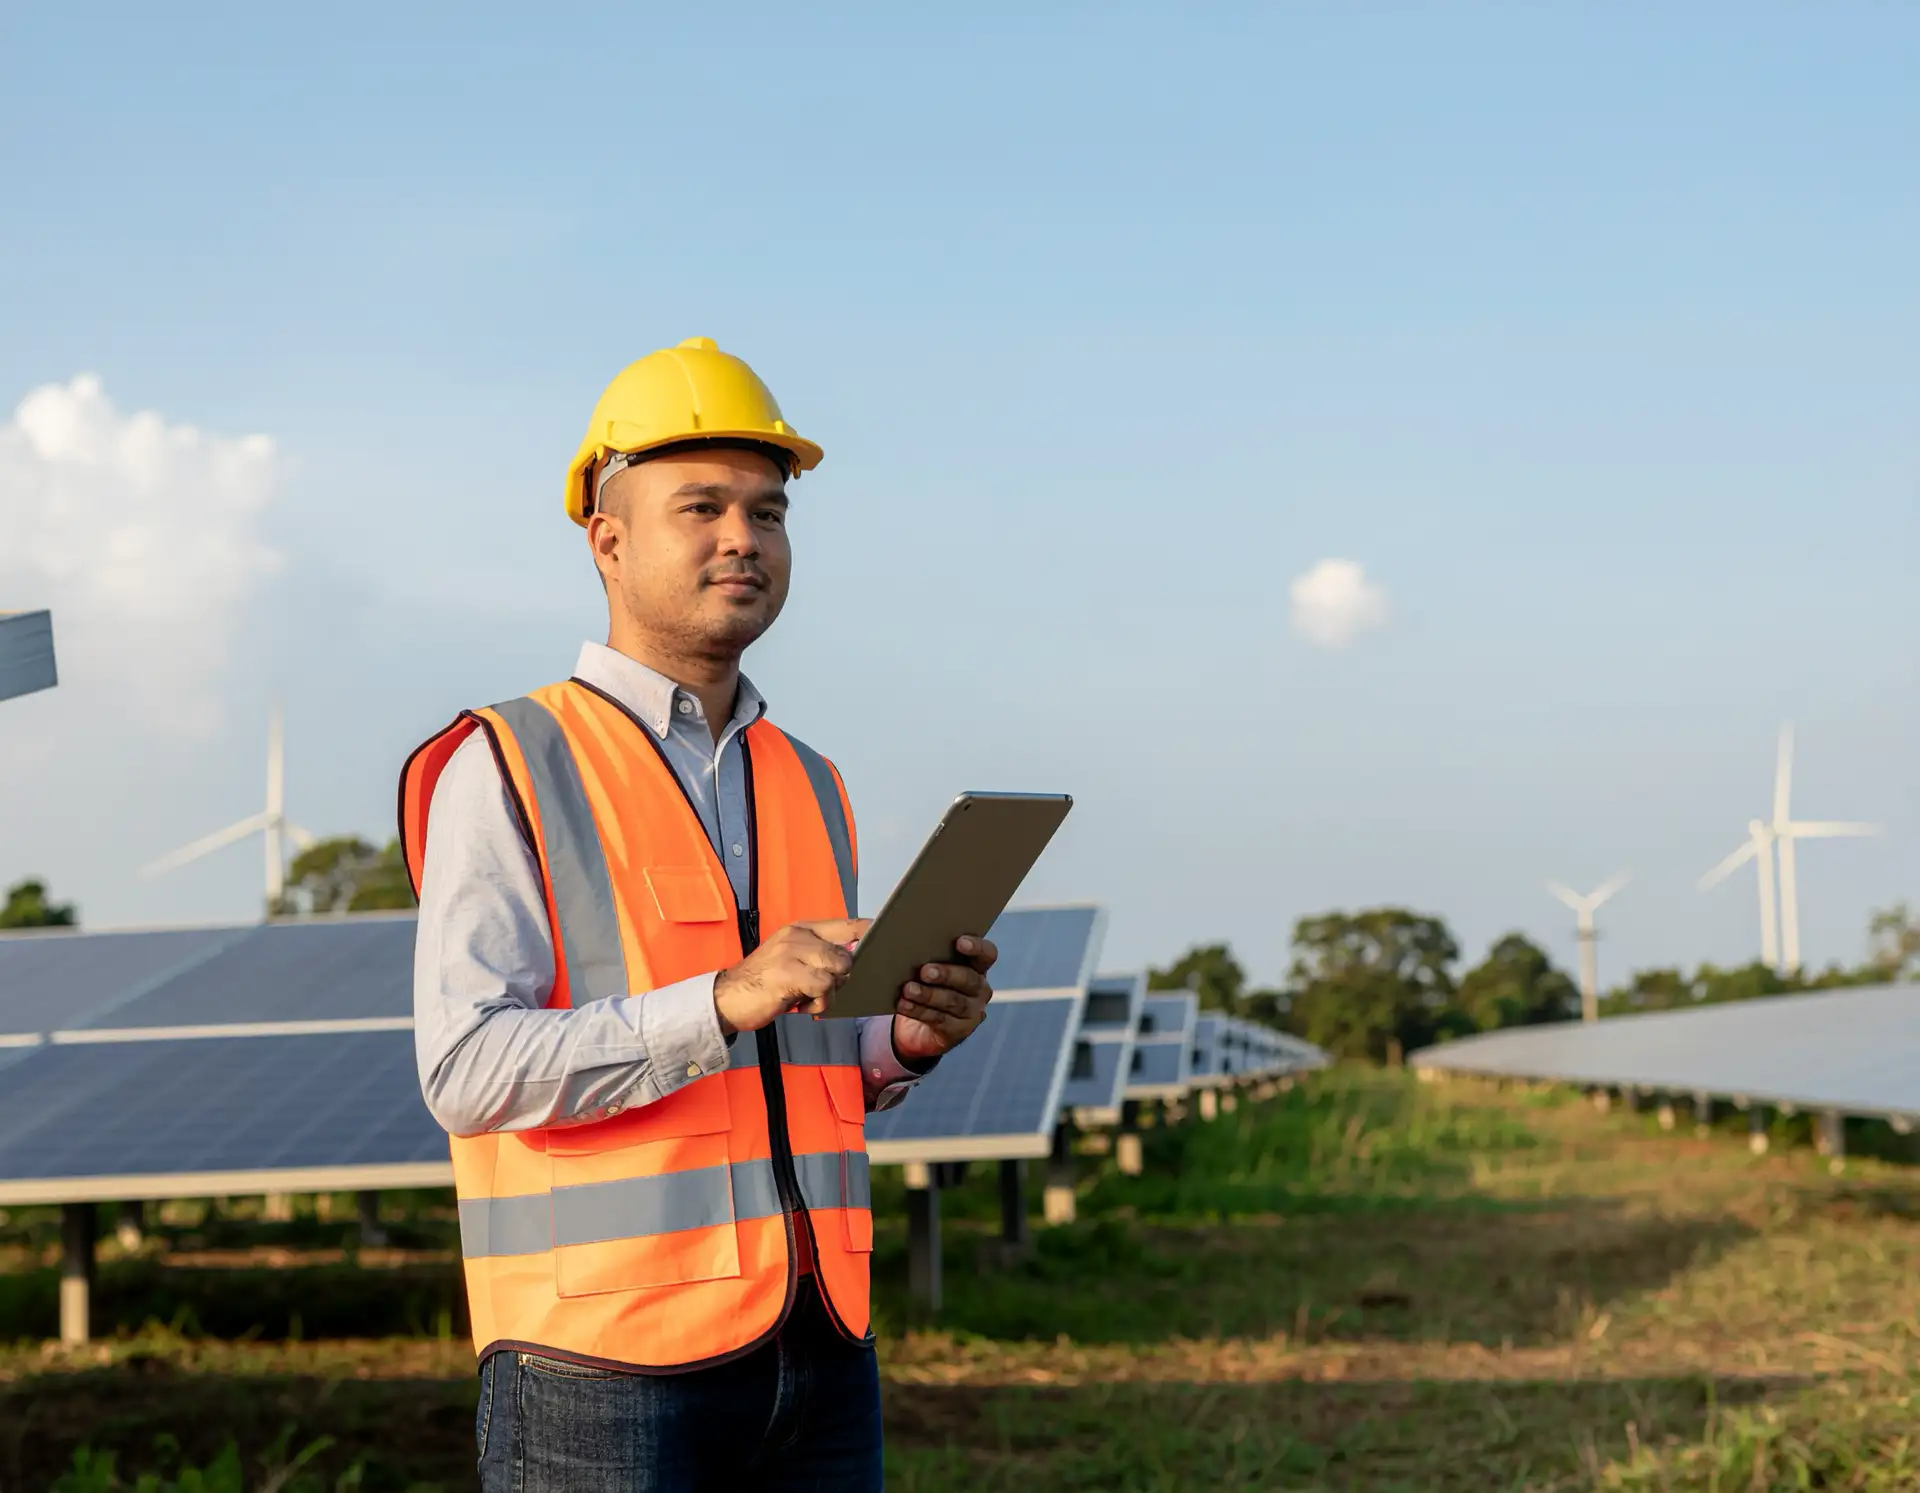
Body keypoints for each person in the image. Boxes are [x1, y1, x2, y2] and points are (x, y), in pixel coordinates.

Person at [398, 336, 999, 1492]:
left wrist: (904, 1035)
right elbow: (467, 1067)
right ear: (607, 539)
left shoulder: (809, 778)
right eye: (703, 506)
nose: (744, 537)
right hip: (600, 1370)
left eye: (769, 513)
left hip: (819, 1342)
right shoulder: (509, 759)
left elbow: (800, 1057)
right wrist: (724, 996)